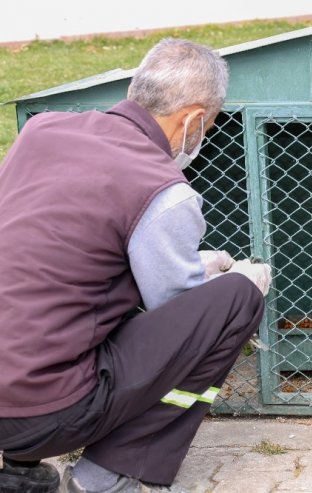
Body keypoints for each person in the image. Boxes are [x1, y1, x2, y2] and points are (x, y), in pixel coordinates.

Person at [0, 38, 271, 492]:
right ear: (193, 119)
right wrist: (234, 277)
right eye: (210, 126)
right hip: (50, 412)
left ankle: (20, 472)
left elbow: (69, 254)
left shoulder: (41, 131)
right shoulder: (163, 189)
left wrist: (196, 263)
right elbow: (176, 309)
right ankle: (107, 477)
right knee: (238, 298)